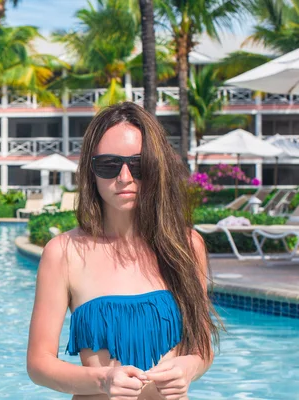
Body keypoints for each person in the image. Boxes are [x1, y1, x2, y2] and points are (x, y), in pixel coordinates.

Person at [26, 102, 221, 400]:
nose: (125, 177)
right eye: (108, 164)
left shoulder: (186, 246)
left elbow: (201, 346)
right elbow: (39, 364)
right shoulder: (64, 253)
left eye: (139, 164)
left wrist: (189, 367)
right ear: (91, 170)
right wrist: (103, 379)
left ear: (156, 167)